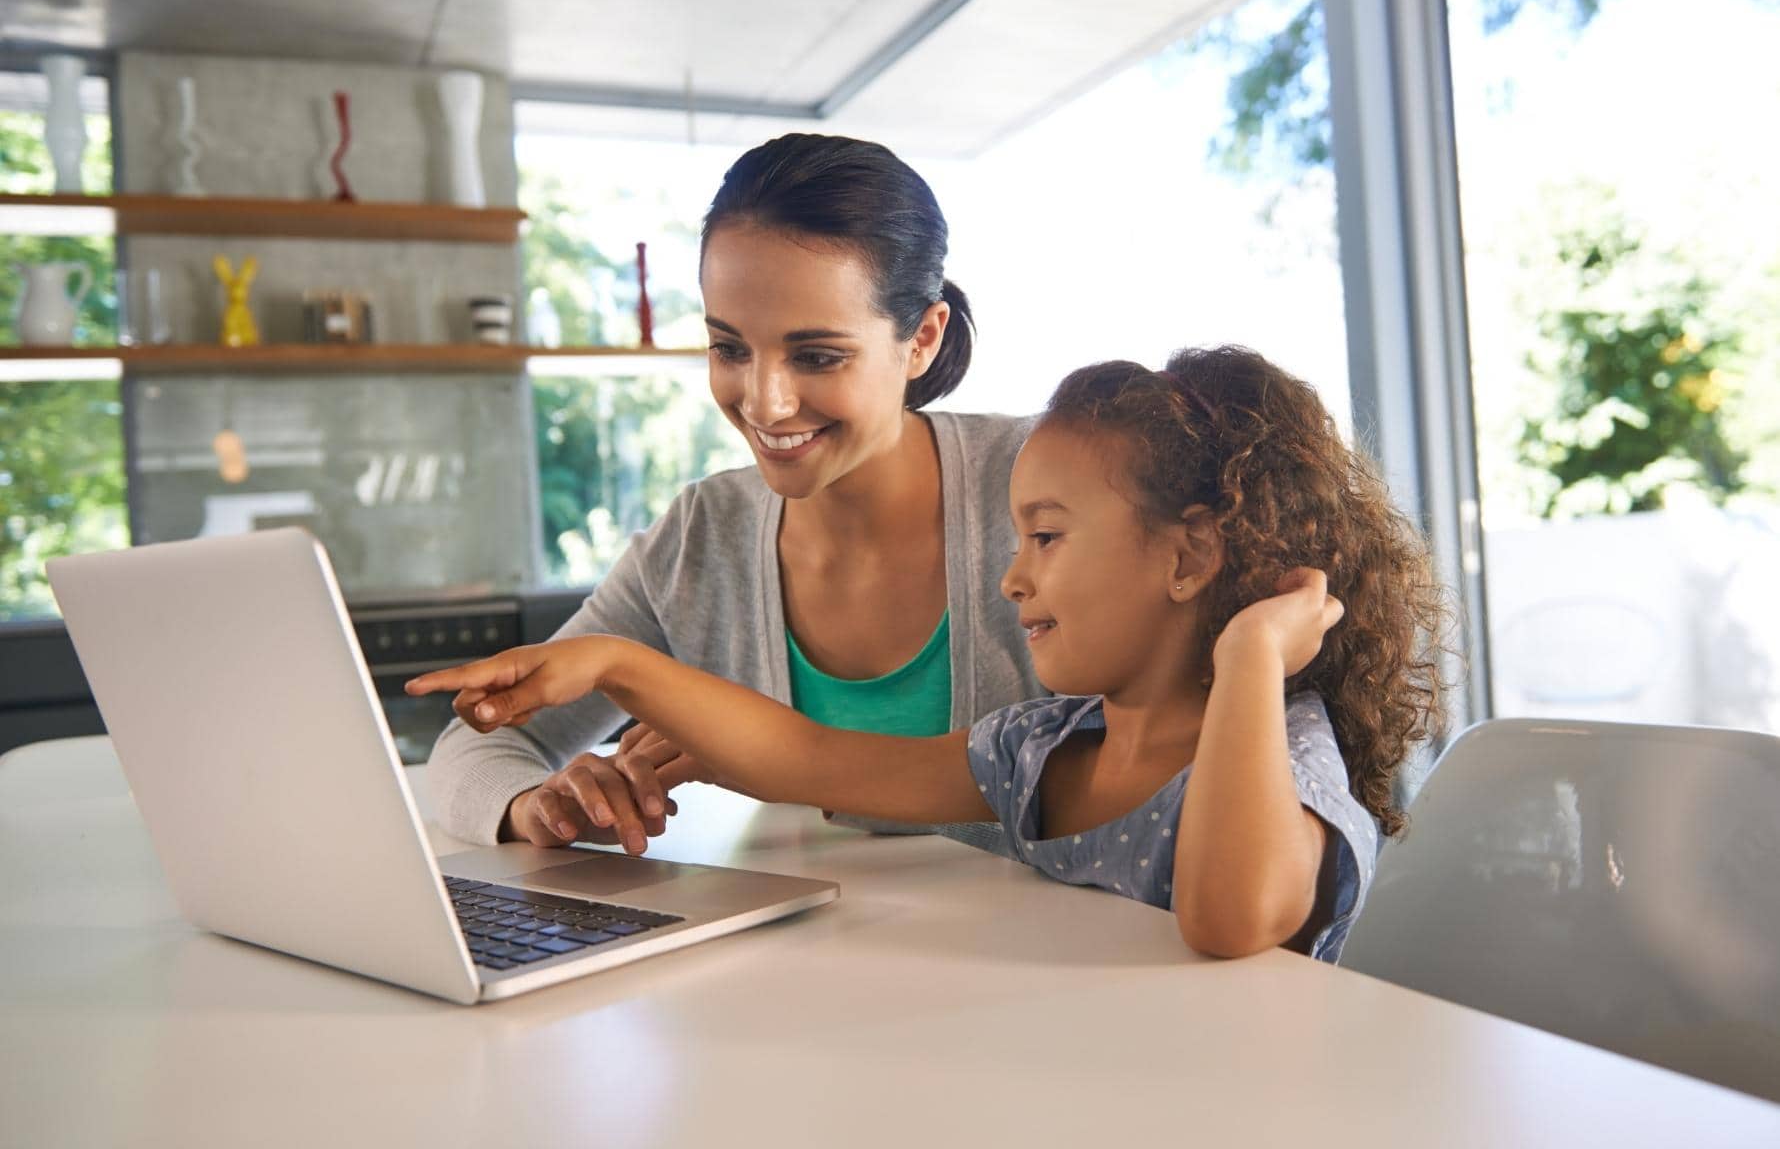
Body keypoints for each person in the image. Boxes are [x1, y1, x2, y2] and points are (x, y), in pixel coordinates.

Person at [410, 346, 1454, 962]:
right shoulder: (1042, 749)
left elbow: (1229, 922)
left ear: (1188, 555)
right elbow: (812, 759)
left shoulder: (1284, 763)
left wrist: (1251, 664)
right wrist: (614, 666)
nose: (1011, 579)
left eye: (1044, 538)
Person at [425, 133, 1044, 852]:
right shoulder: (702, 536)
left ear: (923, 339)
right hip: (808, 951)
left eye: (816, 356)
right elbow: (477, 743)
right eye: (730, 348)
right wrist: (536, 804)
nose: (765, 402)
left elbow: (1138, 758)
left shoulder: (1044, 488)